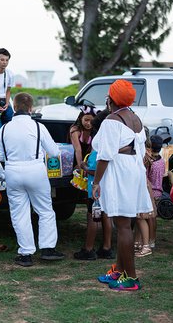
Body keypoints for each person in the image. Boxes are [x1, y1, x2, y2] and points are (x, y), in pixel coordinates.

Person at [0, 92, 64, 267]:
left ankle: (26, 253)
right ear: (31, 108)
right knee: (45, 210)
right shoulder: (39, 127)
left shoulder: (4, 128)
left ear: (14, 108)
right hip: (36, 170)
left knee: (19, 214)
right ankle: (47, 249)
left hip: (13, 172)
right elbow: (54, 152)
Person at [93, 79, 151, 291]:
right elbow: (142, 151)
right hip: (133, 170)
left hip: (119, 172)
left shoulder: (111, 120)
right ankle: (118, 270)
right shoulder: (135, 118)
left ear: (111, 99)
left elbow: (105, 155)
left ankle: (131, 278)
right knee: (124, 222)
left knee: (123, 225)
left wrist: (97, 182)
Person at [74, 108, 114, 261]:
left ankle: (88, 249)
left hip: (96, 189)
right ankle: (106, 247)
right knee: (105, 215)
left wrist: (84, 167)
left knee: (92, 217)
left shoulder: (99, 145)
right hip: (107, 187)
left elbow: (97, 169)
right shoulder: (110, 141)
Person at [134, 134, 163, 257]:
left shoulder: (147, 161)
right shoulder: (161, 160)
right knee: (150, 218)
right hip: (158, 190)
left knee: (144, 217)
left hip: (149, 189)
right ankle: (151, 240)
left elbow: (147, 177)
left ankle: (144, 242)